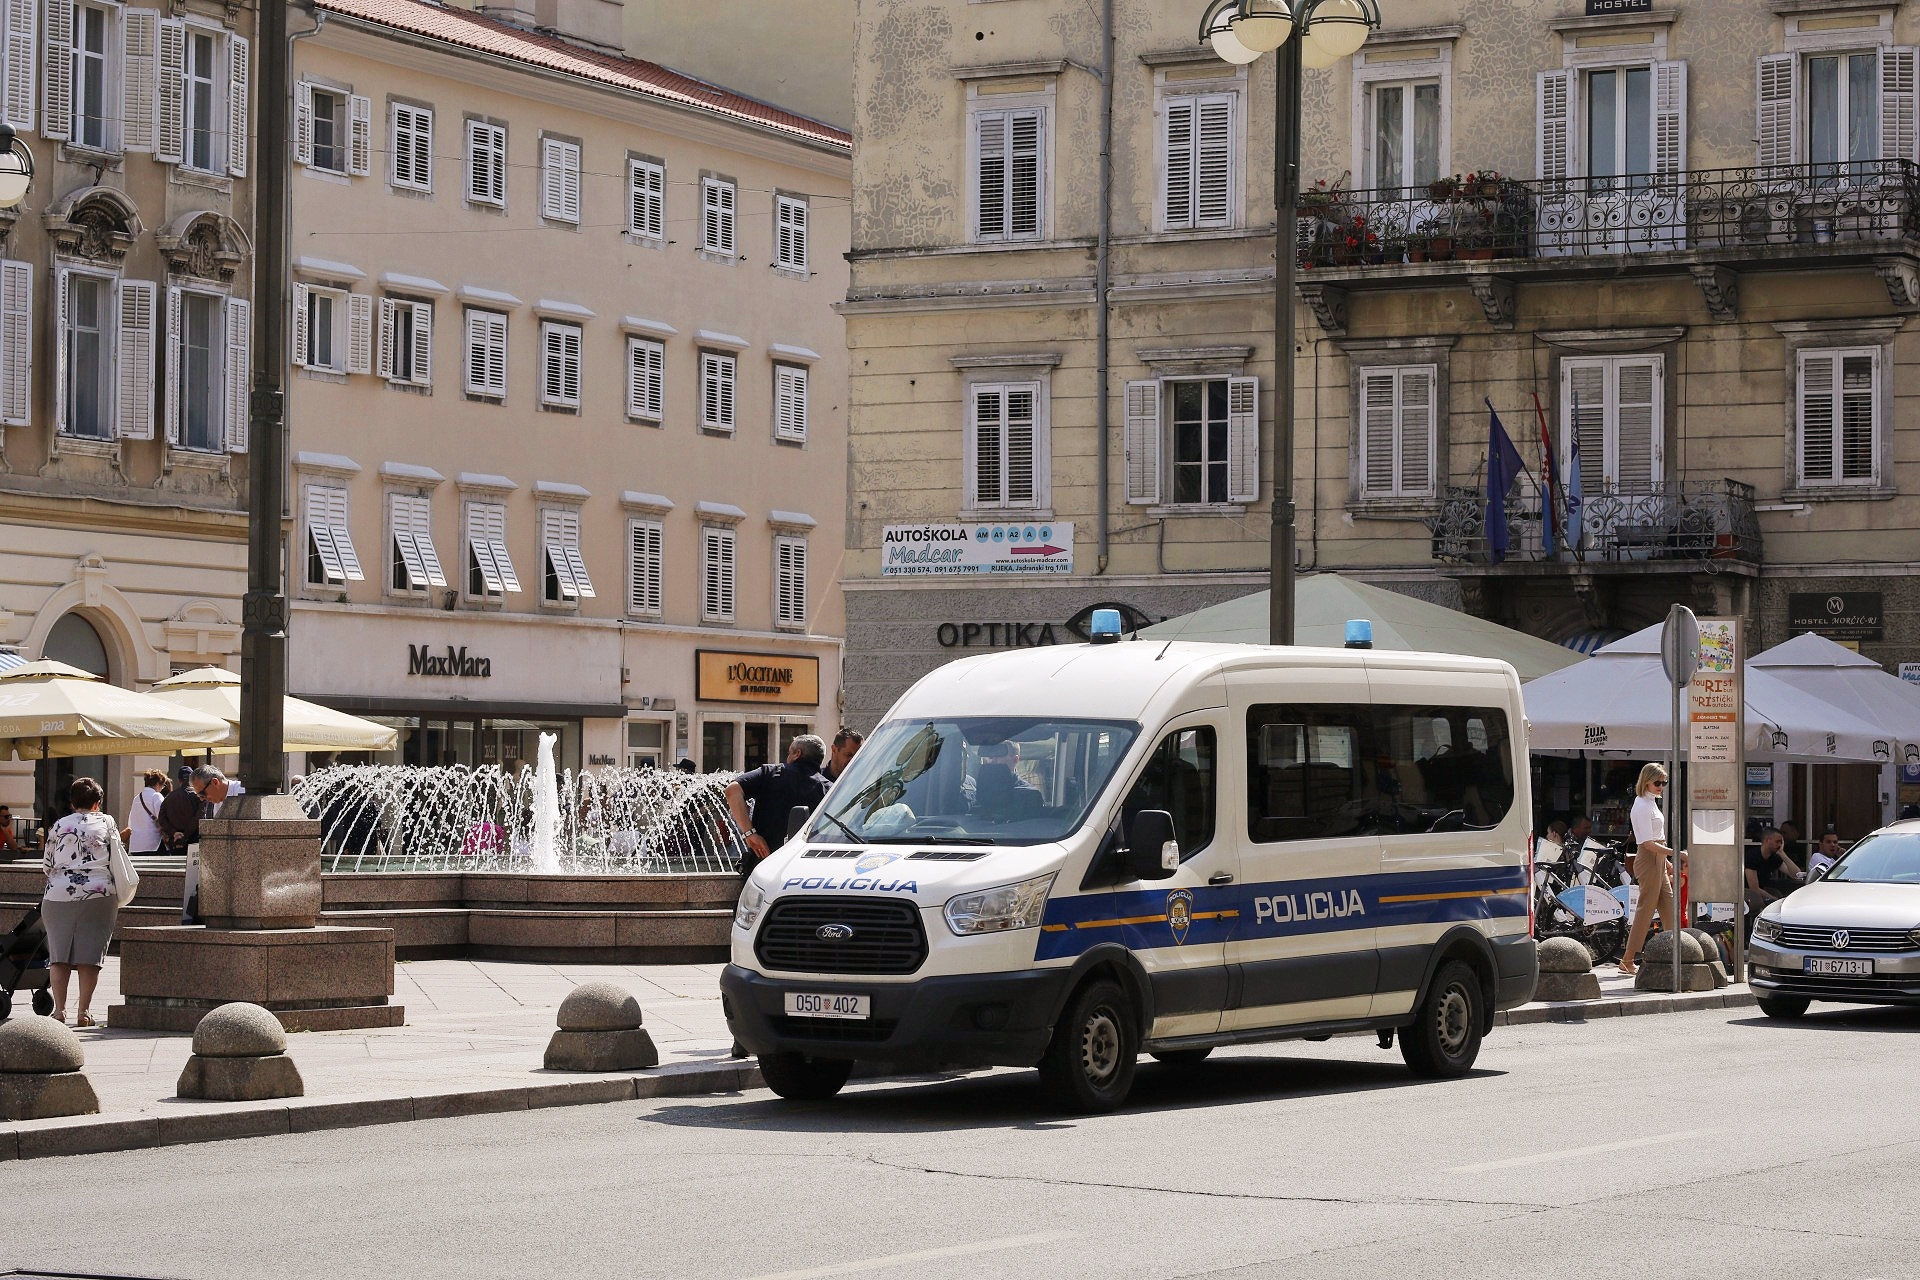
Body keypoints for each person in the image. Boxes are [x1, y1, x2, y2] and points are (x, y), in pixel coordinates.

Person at [41, 776, 125, 1026]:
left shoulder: (58, 826)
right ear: (98, 802)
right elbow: (117, 857)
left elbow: (47, 865)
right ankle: (84, 1012)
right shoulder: (107, 822)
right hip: (98, 893)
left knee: (59, 955)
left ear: (71, 802)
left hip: (58, 895)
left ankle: (59, 1010)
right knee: (90, 955)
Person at [725, 734, 830, 875]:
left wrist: (750, 834)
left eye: (789, 753)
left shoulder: (772, 773)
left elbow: (732, 791)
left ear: (797, 754)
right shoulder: (828, 788)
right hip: (808, 871)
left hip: (765, 864)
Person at [1620, 763, 1679, 977]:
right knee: (1646, 909)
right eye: (1657, 783)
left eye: (1664, 783)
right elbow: (1647, 843)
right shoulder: (1642, 805)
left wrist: (1667, 860)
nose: (1661, 786)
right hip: (1649, 859)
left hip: (1657, 859)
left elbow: (1654, 841)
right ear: (1646, 781)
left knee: (1669, 906)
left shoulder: (1649, 803)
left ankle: (1676, 953)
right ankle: (1627, 959)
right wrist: (1676, 854)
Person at [1744, 827, 1803, 926]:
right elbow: (1754, 888)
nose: (1780, 845)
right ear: (1767, 840)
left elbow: (1797, 875)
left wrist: (1783, 854)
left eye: (1781, 842)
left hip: (1763, 890)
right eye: (1777, 842)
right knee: (1764, 902)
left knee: (1781, 897)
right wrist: (1774, 899)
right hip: (1745, 891)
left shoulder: (1774, 858)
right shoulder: (1752, 856)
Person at [158, 765, 201, 854]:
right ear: (193, 779)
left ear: (179, 780)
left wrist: (174, 833)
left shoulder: (169, 797)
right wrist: (185, 834)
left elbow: (161, 818)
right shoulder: (199, 796)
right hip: (194, 841)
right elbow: (199, 817)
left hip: (175, 842)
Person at [127, 769, 169, 855]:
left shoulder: (136, 798)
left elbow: (130, 823)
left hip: (136, 845)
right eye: (162, 785)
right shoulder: (156, 796)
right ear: (157, 784)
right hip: (152, 844)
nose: (162, 788)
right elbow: (163, 819)